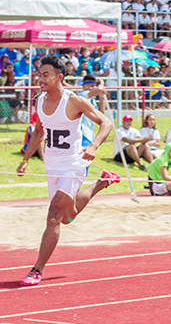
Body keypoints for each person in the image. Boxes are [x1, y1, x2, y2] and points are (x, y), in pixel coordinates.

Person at [16, 54, 119, 287]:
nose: (40, 78)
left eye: (45, 75)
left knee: (53, 216)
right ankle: (101, 183)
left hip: (73, 164)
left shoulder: (73, 101)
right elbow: (39, 132)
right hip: (51, 166)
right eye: (39, 74)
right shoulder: (39, 100)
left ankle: (36, 270)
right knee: (67, 217)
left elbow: (106, 123)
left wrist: (93, 146)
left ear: (59, 77)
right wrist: (26, 159)